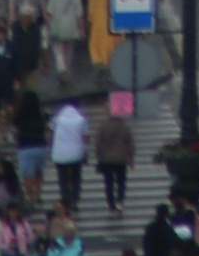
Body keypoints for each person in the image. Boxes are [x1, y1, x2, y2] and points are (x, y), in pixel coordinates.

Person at [49, 86, 89, 218]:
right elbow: (85, 137)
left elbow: (51, 132)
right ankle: (75, 201)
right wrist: (85, 151)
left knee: (63, 179)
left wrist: (51, 147)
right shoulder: (81, 120)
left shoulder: (57, 119)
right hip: (76, 154)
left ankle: (65, 201)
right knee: (76, 178)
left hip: (60, 154)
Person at [94, 96, 135, 217]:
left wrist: (98, 156)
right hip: (121, 159)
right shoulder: (124, 127)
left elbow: (98, 143)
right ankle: (120, 200)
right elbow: (130, 143)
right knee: (121, 181)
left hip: (106, 159)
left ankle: (111, 205)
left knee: (109, 183)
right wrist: (131, 158)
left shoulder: (103, 126)